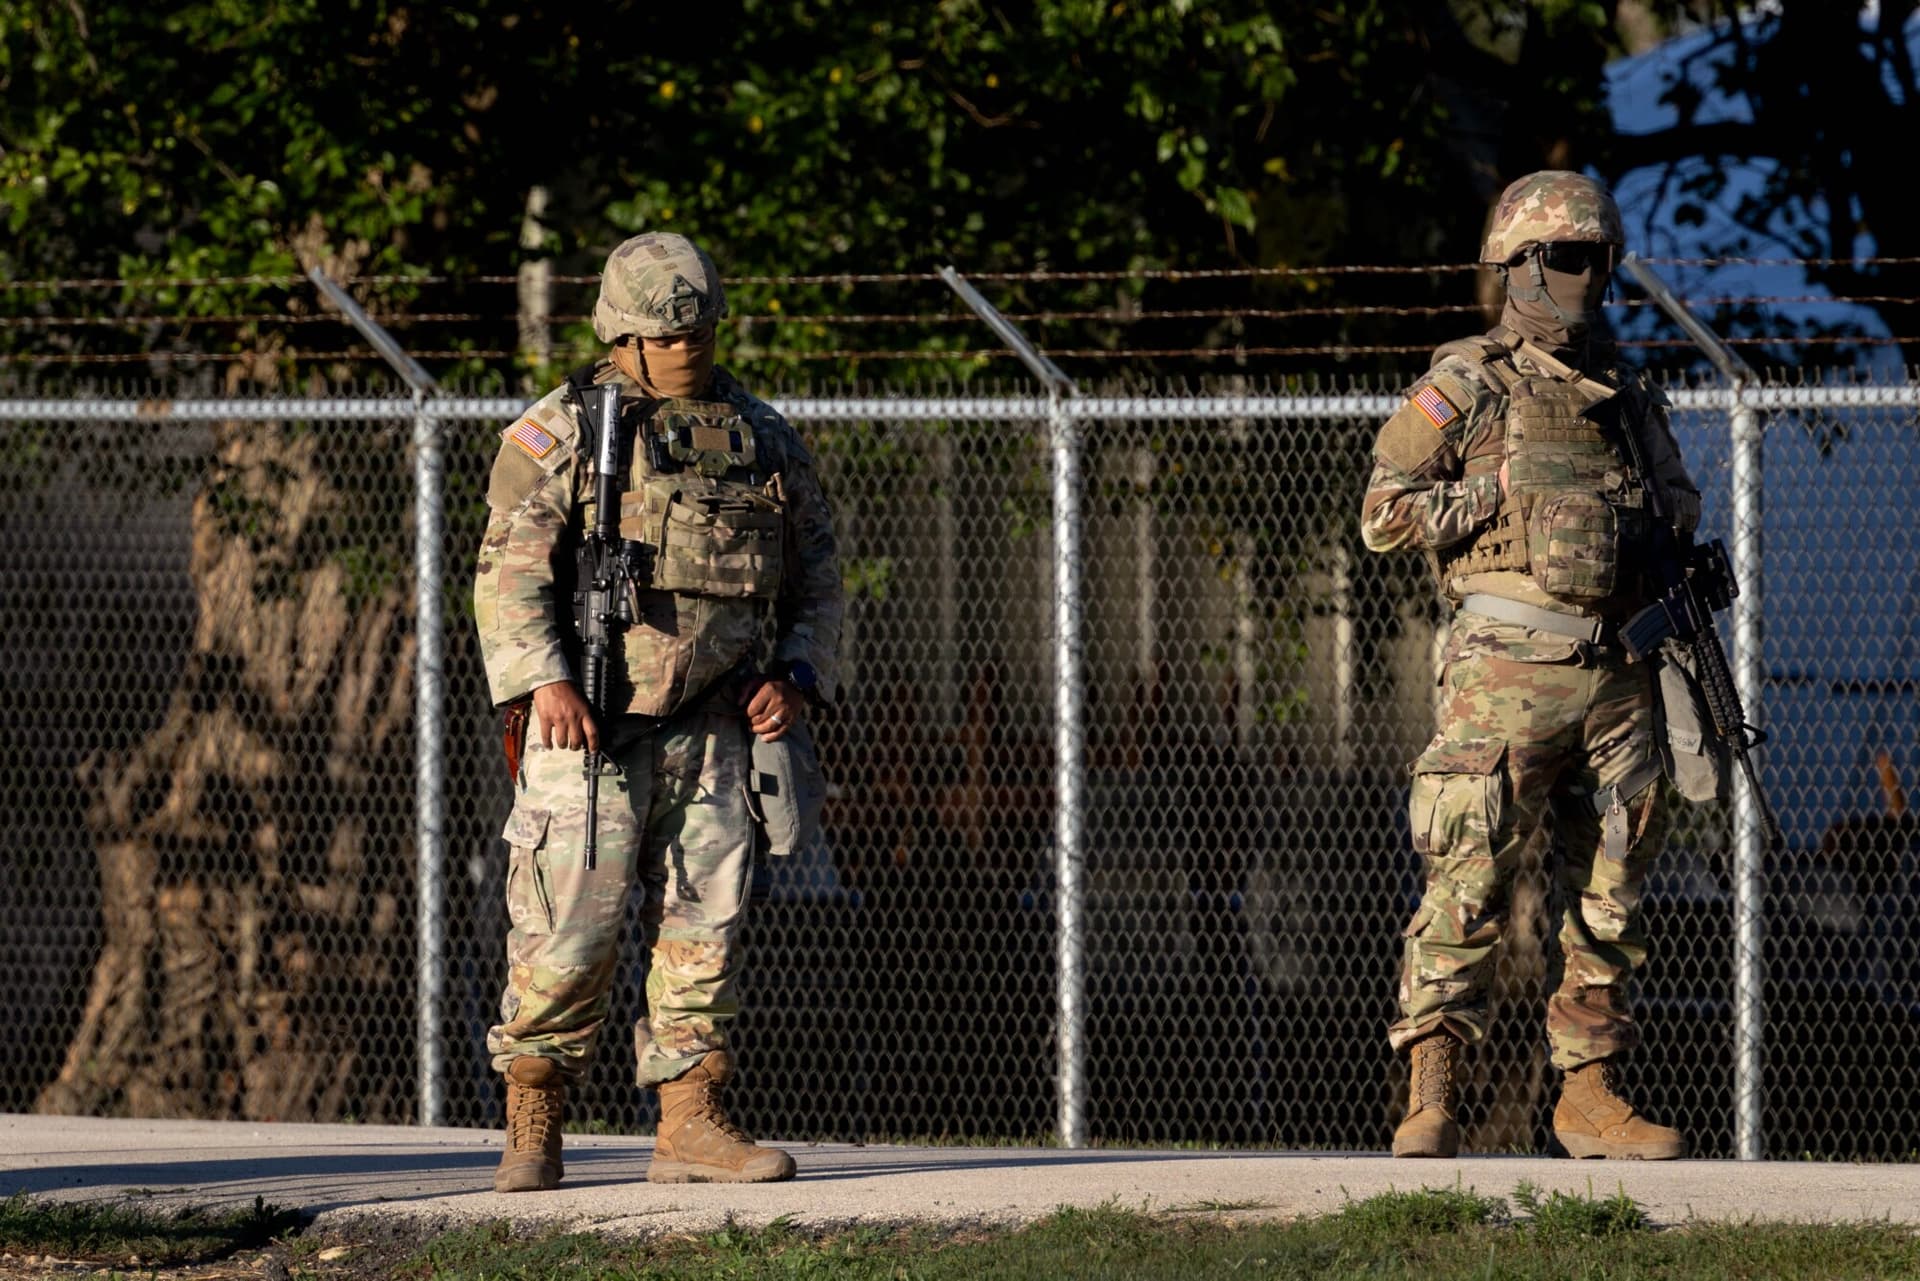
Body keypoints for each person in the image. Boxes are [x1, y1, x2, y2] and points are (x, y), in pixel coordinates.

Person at [474, 230, 843, 1190]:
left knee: (705, 931)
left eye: (702, 331)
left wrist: (794, 676)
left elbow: (820, 574)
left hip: (716, 724)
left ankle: (690, 1122)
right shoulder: (562, 433)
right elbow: (507, 569)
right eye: (667, 336)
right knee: (568, 935)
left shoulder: (759, 434)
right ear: (624, 340)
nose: (690, 349)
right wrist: (544, 679)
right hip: (586, 724)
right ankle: (534, 1118)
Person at [1360, 171, 1699, 1160]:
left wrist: (1651, 541)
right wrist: (1491, 497)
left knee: (1614, 887)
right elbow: (1383, 513)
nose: (1586, 276)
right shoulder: (1465, 381)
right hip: (1503, 671)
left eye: (1597, 258)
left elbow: (1675, 504)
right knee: (1467, 874)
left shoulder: (1624, 394)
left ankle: (1589, 1099)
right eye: (1565, 258)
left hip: (1618, 671)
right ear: (1516, 267)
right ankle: (1432, 1095)